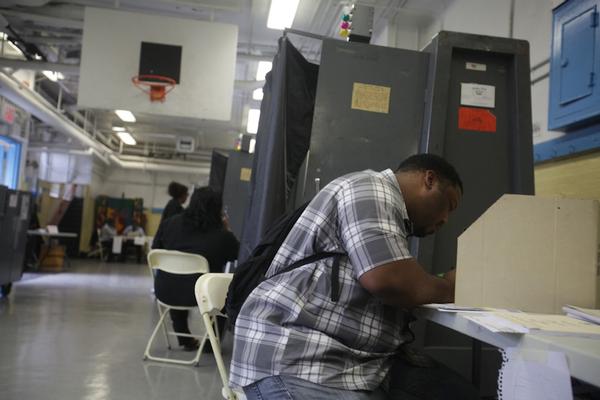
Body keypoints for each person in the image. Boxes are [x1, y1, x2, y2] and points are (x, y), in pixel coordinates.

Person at [230, 154, 479, 400]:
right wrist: (450, 286)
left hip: (354, 365)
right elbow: (390, 280)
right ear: (429, 180)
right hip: (301, 364)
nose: (445, 219)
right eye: (448, 205)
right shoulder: (372, 189)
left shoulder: (386, 209)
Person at [152, 187, 239, 351]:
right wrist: (226, 229)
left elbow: (155, 248)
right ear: (217, 208)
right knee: (226, 291)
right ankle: (210, 344)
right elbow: (236, 254)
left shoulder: (169, 224)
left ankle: (183, 337)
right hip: (203, 295)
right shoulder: (221, 235)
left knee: (177, 279)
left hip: (165, 291)